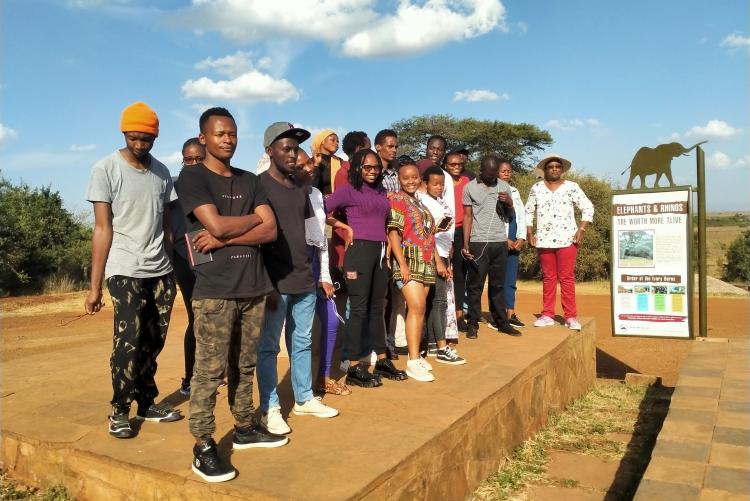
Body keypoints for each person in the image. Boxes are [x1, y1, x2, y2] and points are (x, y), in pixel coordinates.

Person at [178, 107, 286, 483]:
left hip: (252, 285)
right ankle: (203, 444)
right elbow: (215, 223)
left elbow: (269, 230)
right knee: (208, 372)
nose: (228, 139)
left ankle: (244, 426)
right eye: (220, 133)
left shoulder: (249, 180)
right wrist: (247, 222)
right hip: (215, 290)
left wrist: (228, 235)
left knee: (244, 365)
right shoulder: (192, 177)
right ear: (204, 138)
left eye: (233, 133)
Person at [85, 101, 182, 440]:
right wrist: (95, 287)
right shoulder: (105, 169)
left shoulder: (162, 173)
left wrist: (172, 267)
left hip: (160, 269)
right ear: (124, 133)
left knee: (153, 340)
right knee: (128, 341)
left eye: (147, 139)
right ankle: (119, 411)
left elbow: (168, 226)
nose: (141, 145)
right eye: (135, 138)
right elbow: (102, 229)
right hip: (124, 267)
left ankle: (146, 402)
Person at [257, 122, 339, 436]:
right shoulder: (258, 186)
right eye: (286, 149)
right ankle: (270, 407)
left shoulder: (301, 190)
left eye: (295, 150)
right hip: (275, 282)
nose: (293, 155)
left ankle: (304, 398)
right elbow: (257, 240)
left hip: (304, 278)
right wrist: (265, 283)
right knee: (267, 347)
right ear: (269, 151)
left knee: (302, 342)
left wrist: (319, 273)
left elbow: (312, 236)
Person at [326, 148, 407, 387]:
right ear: (358, 168)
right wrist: (345, 228)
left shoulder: (382, 191)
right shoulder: (348, 191)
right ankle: (353, 367)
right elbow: (321, 210)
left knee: (377, 308)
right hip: (358, 253)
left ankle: (381, 360)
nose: (372, 171)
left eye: (376, 168)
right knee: (359, 308)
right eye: (367, 167)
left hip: (380, 253)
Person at [291, 149, 351, 396]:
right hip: (292, 269)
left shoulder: (316, 194)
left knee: (330, 321)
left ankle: (323, 377)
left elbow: (320, 240)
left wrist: (324, 275)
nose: (310, 168)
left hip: (315, 264)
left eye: (310, 164)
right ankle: (299, 388)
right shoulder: (282, 193)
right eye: (302, 165)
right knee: (297, 333)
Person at [525, 155, 594, 331]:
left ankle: (570, 316)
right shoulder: (537, 188)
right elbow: (528, 211)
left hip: (568, 239)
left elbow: (587, 207)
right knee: (548, 277)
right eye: (551, 167)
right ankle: (547, 314)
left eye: (557, 166)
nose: (554, 169)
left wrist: (581, 229)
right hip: (544, 239)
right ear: (545, 170)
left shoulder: (572, 187)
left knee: (566, 278)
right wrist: (530, 233)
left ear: (562, 169)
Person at [387, 160, 439, 381]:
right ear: (399, 180)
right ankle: (412, 361)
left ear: (420, 179)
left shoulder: (420, 203)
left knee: (419, 309)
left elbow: (429, 235)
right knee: (416, 306)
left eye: (414, 177)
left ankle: (415, 355)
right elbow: (393, 233)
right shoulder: (397, 200)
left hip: (425, 262)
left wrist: (439, 261)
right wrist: (402, 263)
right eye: (405, 177)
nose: (410, 181)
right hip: (409, 260)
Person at [462, 155, 522, 339]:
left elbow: (511, 213)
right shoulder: (470, 187)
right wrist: (466, 244)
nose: (491, 177)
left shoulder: (504, 186)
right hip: (479, 242)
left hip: (499, 242)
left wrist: (508, 202)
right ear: (481, 170)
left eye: (494, 173)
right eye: (488, 173)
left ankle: (502, 322)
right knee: (475, 286)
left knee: (497, 285)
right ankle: (472, 324)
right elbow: (467, 217)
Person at [416, 165, 466, 365]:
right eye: (434, 184)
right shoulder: (423, 202)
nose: (439, 187)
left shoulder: (440, 201)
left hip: (445, 254)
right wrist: (438, 260)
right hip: (433, 256)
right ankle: (441, 347)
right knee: (439, 301)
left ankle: (433, 343)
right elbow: (426, 235)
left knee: (438, 301)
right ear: (425, 183)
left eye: (442, 185)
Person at [171, 138, 205, 396]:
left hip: (211, 253)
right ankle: (190, 378)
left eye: (198, 158)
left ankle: (212, 372)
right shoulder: (173, 188)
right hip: (184, 257)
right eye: (188, 159)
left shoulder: (212, 185)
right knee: (196, 318)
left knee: (215, 316)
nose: (192, 163)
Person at [487, 160, 527, 330]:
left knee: (511, 279)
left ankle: (510, 313)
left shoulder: (515, 192)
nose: (506, 173)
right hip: (498, 239)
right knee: (497, 280)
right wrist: (504, 238)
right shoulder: (490, 192)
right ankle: (497, 315)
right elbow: (489, 218)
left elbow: (521, 216)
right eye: (502, 171)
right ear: (496, 173)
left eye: (508, 171)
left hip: (515, 238)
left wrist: (522, 238)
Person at [442, 146, 472, 334]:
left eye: (460, 164)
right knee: (444, 274)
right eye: (452, 164)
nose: (456, 167)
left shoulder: (467, 181)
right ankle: (445, 316)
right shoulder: (441, 182)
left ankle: (460, 314)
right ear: (445, 165)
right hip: (444, 232)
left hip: (462, 231)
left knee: (460, 275)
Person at [310, 129, 341, 195]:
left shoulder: (340, 162)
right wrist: (316, 165)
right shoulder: (310, 162)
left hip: (338, 202)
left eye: (337, 141)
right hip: (318, 203)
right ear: (322, 141)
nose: (336, 143)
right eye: (332, 140)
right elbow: (310, 187)